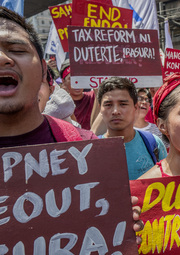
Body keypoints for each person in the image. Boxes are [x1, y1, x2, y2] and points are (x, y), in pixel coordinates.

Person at [0, 6, 143, 243]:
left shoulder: (87, 150)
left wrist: (118, 232)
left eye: (16, 50)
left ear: (44, 70)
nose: (3, 58)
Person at [97, 77, 167, 180]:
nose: (116, 111)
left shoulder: (154, 144)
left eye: (123, 104)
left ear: (135, 107)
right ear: (100, 109)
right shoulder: (92, 150)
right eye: (108, 105)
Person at [60, 59, 97, 130]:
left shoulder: (93, 96)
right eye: (71, 79)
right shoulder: (59, 104)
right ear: (63, 81)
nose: (77, 83)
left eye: (80, 78)